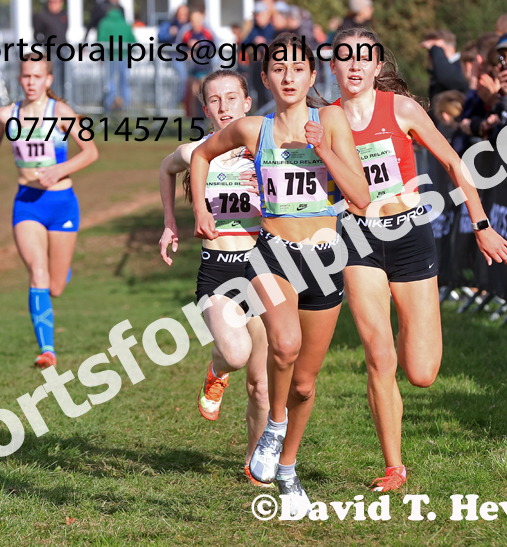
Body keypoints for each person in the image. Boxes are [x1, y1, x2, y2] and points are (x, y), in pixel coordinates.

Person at [189, 32, 370, 512]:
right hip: (272, 254)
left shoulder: (328, 119)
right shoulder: (253, 129)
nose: (288, 77)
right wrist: (198, 212)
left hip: (325, 258)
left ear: (312, 76)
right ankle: (273, 426)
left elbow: (362, 198)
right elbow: (201, 155)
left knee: (306, 384)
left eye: (297, 68)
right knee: (284, 344)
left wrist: (324, 152)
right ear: (266, 77)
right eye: (278, 68)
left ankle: (287, 467)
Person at [329, 27, 507, 492]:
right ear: (332, 65)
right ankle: (394, 467)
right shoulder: (324, 118)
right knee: (378, 354)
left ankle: (415, 323)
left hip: (410, 234)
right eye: (344, 57)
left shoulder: (402, 109)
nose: (353, 65)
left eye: (363, 57)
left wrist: (482, 224)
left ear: (376, 65)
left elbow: (455, 164)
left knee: (422, 372)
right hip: (357, 236)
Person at [158, 70, 271, 487]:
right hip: (219, 270)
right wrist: (170, 223)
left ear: (247, 103)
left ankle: (254, 460)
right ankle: (217, 367)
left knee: (262, 386)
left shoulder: (268, 150)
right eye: (214, 101)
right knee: (237, 354)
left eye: (231, 98)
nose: (224, 108)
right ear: (206, 109)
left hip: (264, 269)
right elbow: (164, 169)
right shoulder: (195, 152)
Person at [0, 54, 99, 368]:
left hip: (62, 203)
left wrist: (60, 170)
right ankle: (47, 351)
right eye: (26, 76)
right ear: (19, 79)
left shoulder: (60, 113)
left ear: (48, 80)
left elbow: (91, 151)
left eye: (37, 77)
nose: (30, 82)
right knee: (36, 272)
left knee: (55, 286)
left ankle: (62, 272)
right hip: (27, 204)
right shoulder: (7, 114)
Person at [97, 6, 136, 112]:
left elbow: (101, 40)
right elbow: (133, 40)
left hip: (110, 56)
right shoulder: (125, 24)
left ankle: (109, 104)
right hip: (124, 56)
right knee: (124, 81)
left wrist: (100, 55)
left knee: (110, 81)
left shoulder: (104, 23)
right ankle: (125, 105)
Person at [421, 30, 468, 108]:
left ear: (452, 50)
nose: (432, 55)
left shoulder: (462, 67)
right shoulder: (438, 76)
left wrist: (435, 48)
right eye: (430, 51)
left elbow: (446, 76)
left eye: (438, 50)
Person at [158, 5, 190, 107]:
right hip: (174, 56)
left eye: (185, 14)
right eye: (180, 14)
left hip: (190, 57)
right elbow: (160, 36)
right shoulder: (169, 24)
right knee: (183, 78)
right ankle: (177, 102)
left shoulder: (190, 26)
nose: (182, 17)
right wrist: (170, 33)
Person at [33, 0, 68, 93]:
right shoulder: (43, 16)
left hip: (63, 50)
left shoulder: (64, 16)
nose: (54, 4)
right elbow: (37, 35)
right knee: (53, 77)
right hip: (52, 51)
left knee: (65, 77)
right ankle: (53, 97)